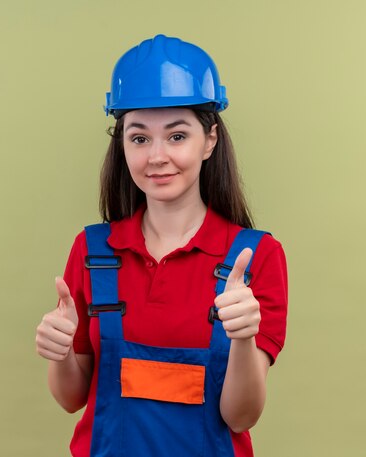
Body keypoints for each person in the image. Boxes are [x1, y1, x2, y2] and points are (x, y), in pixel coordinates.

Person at [35, 34, 288, 457]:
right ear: (122, 145)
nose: (156, 156)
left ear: (209, 140)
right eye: (139, 138)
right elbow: (71, 398)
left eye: (176, 136)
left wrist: (243, 339)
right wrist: (58, 353)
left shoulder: (255, 257)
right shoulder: (93, 251)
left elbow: (240, 417)